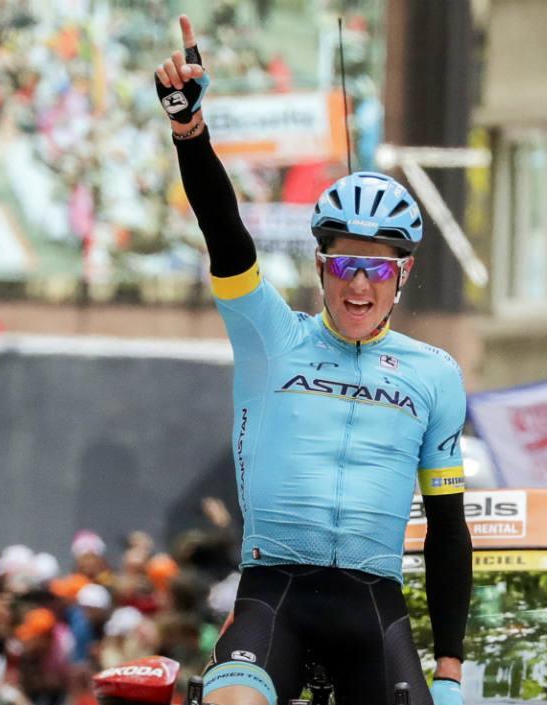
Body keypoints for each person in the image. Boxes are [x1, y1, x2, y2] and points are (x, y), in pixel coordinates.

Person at [154, 16, 471, 705]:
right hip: (275, 600)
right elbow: (226, 236)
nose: (359, 284)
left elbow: (449, 530)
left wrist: (449, 669)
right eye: (343, 264)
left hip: (374, 611)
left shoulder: (436, 374)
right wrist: (189, 131)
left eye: (377, 269)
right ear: (321, 267)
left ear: (404, 275)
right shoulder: (272, 338)